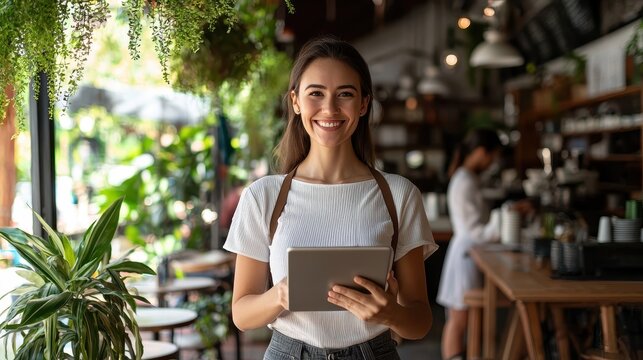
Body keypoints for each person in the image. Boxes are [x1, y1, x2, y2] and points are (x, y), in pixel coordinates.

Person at [223, 37, 438, 360]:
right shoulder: (262, 196)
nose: (330, 109)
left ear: (364, 104)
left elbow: (420, 322)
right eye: (316, 94)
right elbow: (241, 314)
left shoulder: (399, 194)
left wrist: (390, 313)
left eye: (345, 95)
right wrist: (280, 295)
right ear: (295, 101)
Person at [437, 129, 503, 360]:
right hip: (465, 255)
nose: (492, 162)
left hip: (468, 253)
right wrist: (503, 219)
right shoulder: (464, 180)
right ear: (481, 152)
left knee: (461, 318)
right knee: (459, 319)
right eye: (492, 156)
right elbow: (472, 231)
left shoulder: (468, 178)